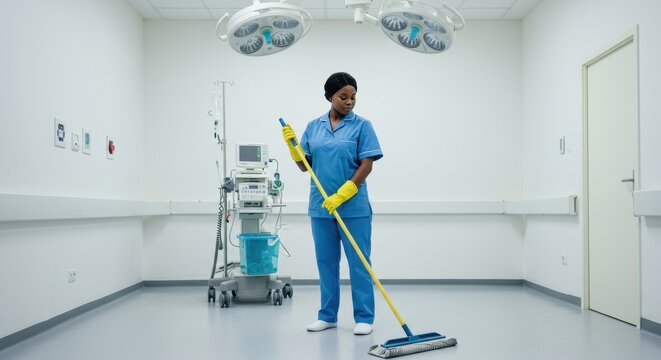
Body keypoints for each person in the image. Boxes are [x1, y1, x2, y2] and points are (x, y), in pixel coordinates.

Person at [281, 72, 383, 336]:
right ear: (329, 96)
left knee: (359, 263)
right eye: (343, 96)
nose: (349, 102)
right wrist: (294, 149)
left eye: (353, 97)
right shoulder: (314, 126)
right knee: (326, 263)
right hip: (322, 206)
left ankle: (364, 317)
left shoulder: (363, 126)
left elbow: (367, 164)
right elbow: (305, 167)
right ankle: (327, 316)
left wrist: (346, 191)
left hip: (354, 207)